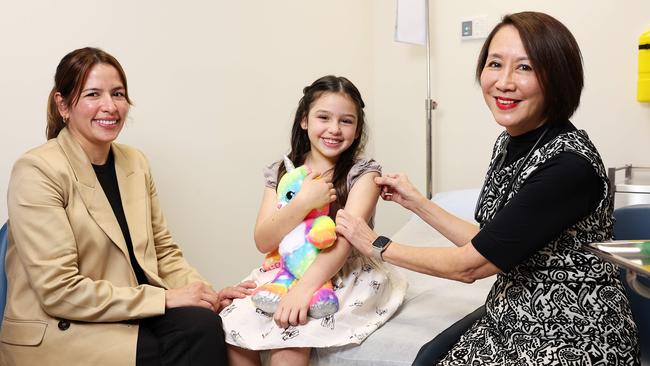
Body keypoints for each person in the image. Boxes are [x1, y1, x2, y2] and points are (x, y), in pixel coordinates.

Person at [336, 12, 640, 365]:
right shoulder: (510, 142)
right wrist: (418, 203)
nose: (504, 82)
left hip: (570, 333)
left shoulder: (569, 166)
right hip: (511, 314)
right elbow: (492, 239)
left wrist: (376, 245)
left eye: (525, 68)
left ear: (557, 78)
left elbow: (470, 267)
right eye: (495, 64)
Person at [0, 47, 255, 366]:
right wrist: (165, 298)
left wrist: (206, 294)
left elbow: (163, 252)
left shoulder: (134, 162)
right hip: (60, 331)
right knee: (190, 337)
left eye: (118, 94)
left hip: (121, 316)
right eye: (93, 94)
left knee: (209, 323)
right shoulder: (37, 170)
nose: (110, 106)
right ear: (63, 104)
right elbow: (59, 291)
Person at [220, 75, 408, 366]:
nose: (334, 129)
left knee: (289, 343)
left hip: (338, 271)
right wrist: (304, 202)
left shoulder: (364, 174)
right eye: (324, 117)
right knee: (234, 332)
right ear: (305, 120)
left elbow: (347, 240)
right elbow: (264, 240)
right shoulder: (282, 172)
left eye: (346, 121)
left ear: (357, 130)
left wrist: (304, 290)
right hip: (288, 267)